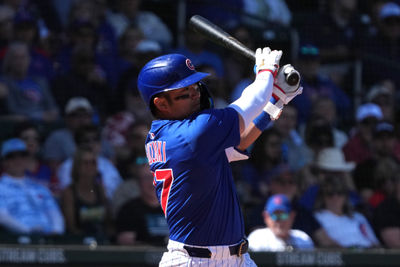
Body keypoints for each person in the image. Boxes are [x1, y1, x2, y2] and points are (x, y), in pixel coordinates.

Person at [137, 50, 302, 265]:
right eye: (184, 92)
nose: (196, 94)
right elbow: (253, 100)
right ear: (161, 104)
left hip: (237, 258)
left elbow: (239, 143)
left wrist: (275, 102)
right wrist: (266, 73)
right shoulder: (192, 133)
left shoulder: (172, 134)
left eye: (195, 86)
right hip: (193, 261)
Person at [0, 138, 64, 235]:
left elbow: (54, 213)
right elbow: (2, 217)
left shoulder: (40, 188)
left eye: (22, 155)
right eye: (11, 156)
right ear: (3, 161)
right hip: (16, 241)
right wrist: (28, 231)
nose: (18, 160)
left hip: (49, 240)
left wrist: (56, 233)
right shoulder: (1, 187)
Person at [57, 124, 122, 200]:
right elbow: (69, 194)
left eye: (95, 139)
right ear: (77, 144)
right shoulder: (67, 166)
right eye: (86, 140)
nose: (91, 144)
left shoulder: (107, 164)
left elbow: (119, 188)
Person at [313, 175, 380, 248]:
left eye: (339, 193)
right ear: (322, 197)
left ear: (345, 196)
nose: (335, 198)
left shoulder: (358, 217)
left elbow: (374, 242)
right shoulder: (317, 218)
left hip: (368, 254)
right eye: (330, 194)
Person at [61, 147, 112, 241]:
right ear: (77, 166)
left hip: (101, 239)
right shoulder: (69, 192)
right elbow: (71, 227)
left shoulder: (100, 189)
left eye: (93, 162)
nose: (90, 166)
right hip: (78, 242)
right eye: (85, 163)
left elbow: (108, 221)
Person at [115, 160, 168, 246]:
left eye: (155, 178)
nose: (152, 183)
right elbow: (125, 241)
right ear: (138, 182)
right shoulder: (128, 210)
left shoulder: (175, 208)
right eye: (146, 178)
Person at [248, 194, 314, 251]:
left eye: (283, 215)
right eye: (274, 215)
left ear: (292, 216)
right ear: (266, 217)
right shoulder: (257, 238)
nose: (279, 220)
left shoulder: (303, 238)